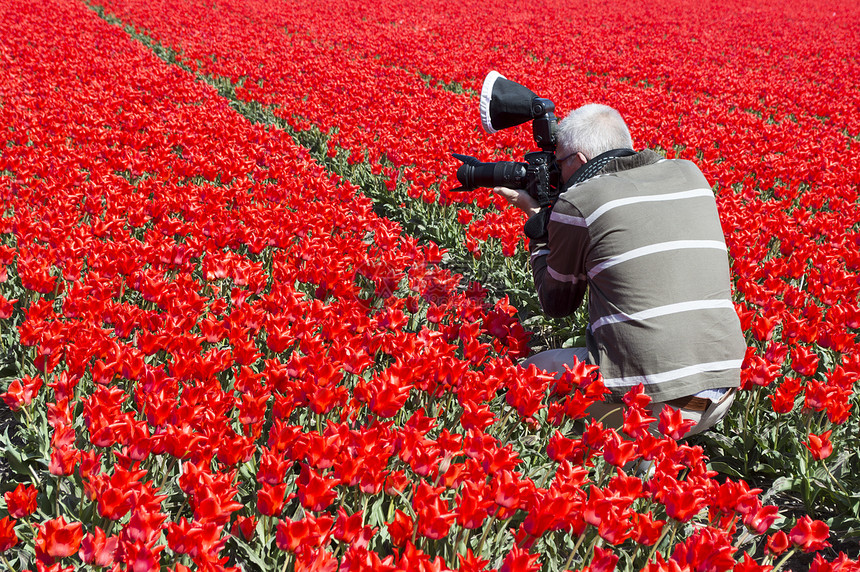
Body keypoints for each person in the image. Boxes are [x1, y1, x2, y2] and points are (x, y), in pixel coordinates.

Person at [495, 103, 746, 437]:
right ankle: (647, 465)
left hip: (649, 406)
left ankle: (605, 462)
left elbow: (556, 304)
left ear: (581, 162)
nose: (557, 173)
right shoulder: (691, 174)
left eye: (559, 164)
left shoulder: (580, 201)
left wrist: (539, 224)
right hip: (719, 394)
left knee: (523, 377)